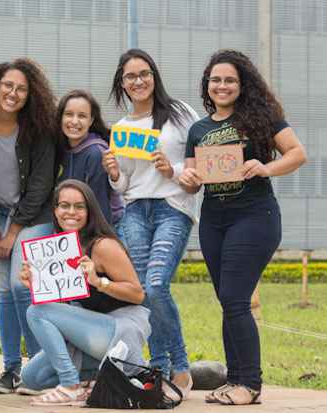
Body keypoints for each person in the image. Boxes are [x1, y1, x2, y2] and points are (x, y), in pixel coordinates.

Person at [179, 49, 306, 405]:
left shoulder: (262, 119)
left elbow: (297, 153)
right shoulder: (199, 129)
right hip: (214, 221)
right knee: (228, 302)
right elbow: (192, 183)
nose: (222, 86)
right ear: (207, 85)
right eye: (215, 80)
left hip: (254, 217)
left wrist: (266, 168)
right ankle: (234, 379)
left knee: (236, 299)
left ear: (242, 84)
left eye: (229, 80)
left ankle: (250, 384)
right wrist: (187, 177)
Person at [101, 48, 199, 399]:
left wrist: (169, 170)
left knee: (156, 284)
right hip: (135, 209)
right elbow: (124, 183)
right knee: (143, 290)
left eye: (144, 74)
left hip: (173, 206)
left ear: (154, 77)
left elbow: (197, 166)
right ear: (122, 84)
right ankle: (158, 367)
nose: (138, 81)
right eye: (130, 76)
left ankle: (181, 365)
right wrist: (114, 174)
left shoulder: (181, 113)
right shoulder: (123, 128)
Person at [19, 179, 148, 406]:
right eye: (64, 205)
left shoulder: (102, 246)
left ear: (90, 211)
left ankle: (71, 386)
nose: (71, 212)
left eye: (79, 206)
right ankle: (96, 378)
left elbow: (138, 294)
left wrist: (99, 282)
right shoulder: (59, 248)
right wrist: (37, 285)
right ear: (55, 210)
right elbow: (66, 312)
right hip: (90, 334)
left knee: (36, 312)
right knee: (32, 377)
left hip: (119, 331)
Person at [0, 58, 57, 394]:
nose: (13, 93)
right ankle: (10, 370)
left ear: (30, 93)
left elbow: (41, 184)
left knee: (23, 287)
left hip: (34, 217)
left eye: (21, 88)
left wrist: (13, 231)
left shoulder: (39, 127)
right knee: (5, 291)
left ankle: (37, 366)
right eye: (8, 85)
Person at [56, 89, 123, 226]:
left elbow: (100, 206)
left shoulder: (96, 153)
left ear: (91, 120)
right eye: (69, 114)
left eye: (82, 116)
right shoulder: (59, 148)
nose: (74, 121)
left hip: (103, 227)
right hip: (73, 223)